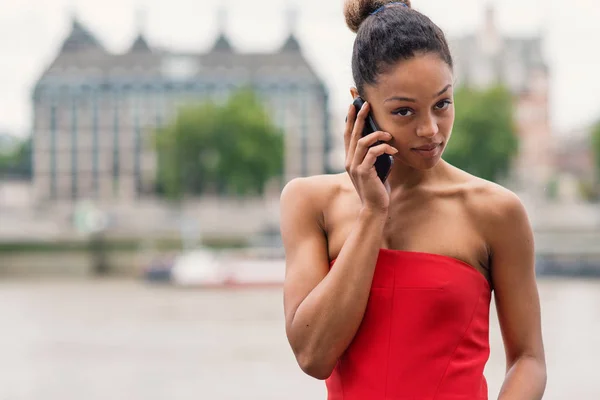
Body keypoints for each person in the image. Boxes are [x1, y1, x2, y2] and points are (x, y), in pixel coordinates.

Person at [279, 0, 547, 398]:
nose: (430, 130)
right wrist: (373, 212)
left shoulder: (495, 212)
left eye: (442, 104)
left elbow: (528, 358)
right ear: (360, 106)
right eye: (404, 112)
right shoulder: (310, 203)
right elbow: (313, 357)